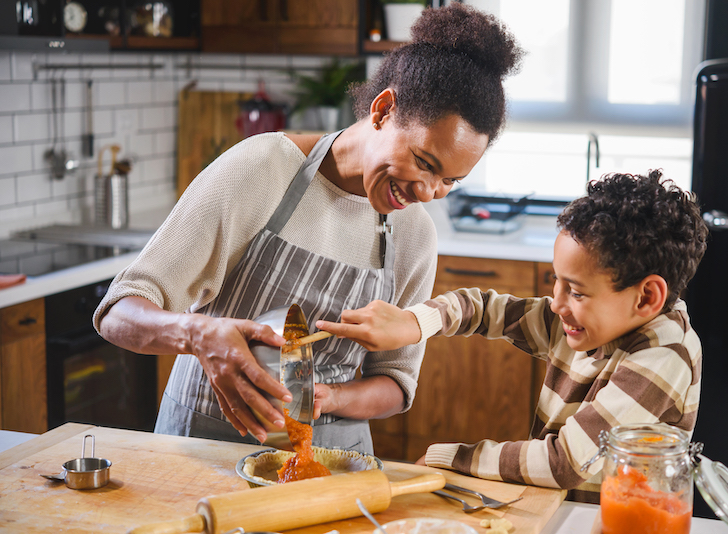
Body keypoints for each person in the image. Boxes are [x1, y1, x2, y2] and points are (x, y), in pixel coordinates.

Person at [92, 4, 524, 454]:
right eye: (424, 162)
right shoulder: (264, 169)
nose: (429, 191)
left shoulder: (415, 235)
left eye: (450, 181)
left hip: (333, 458)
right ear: (382, 110)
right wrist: (198, 334)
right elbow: (118, 312)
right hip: (204, 447)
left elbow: (395, 383)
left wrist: (332, 398)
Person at [317, 170, 709, 499]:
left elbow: (565, 462)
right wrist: (414, 323)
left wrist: (451, 458)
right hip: (562, 510)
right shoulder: (593, 320)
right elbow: (483, 308)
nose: (556, 303)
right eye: (557, 282)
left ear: (647, 297)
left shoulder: (665, 352)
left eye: (576, 291)